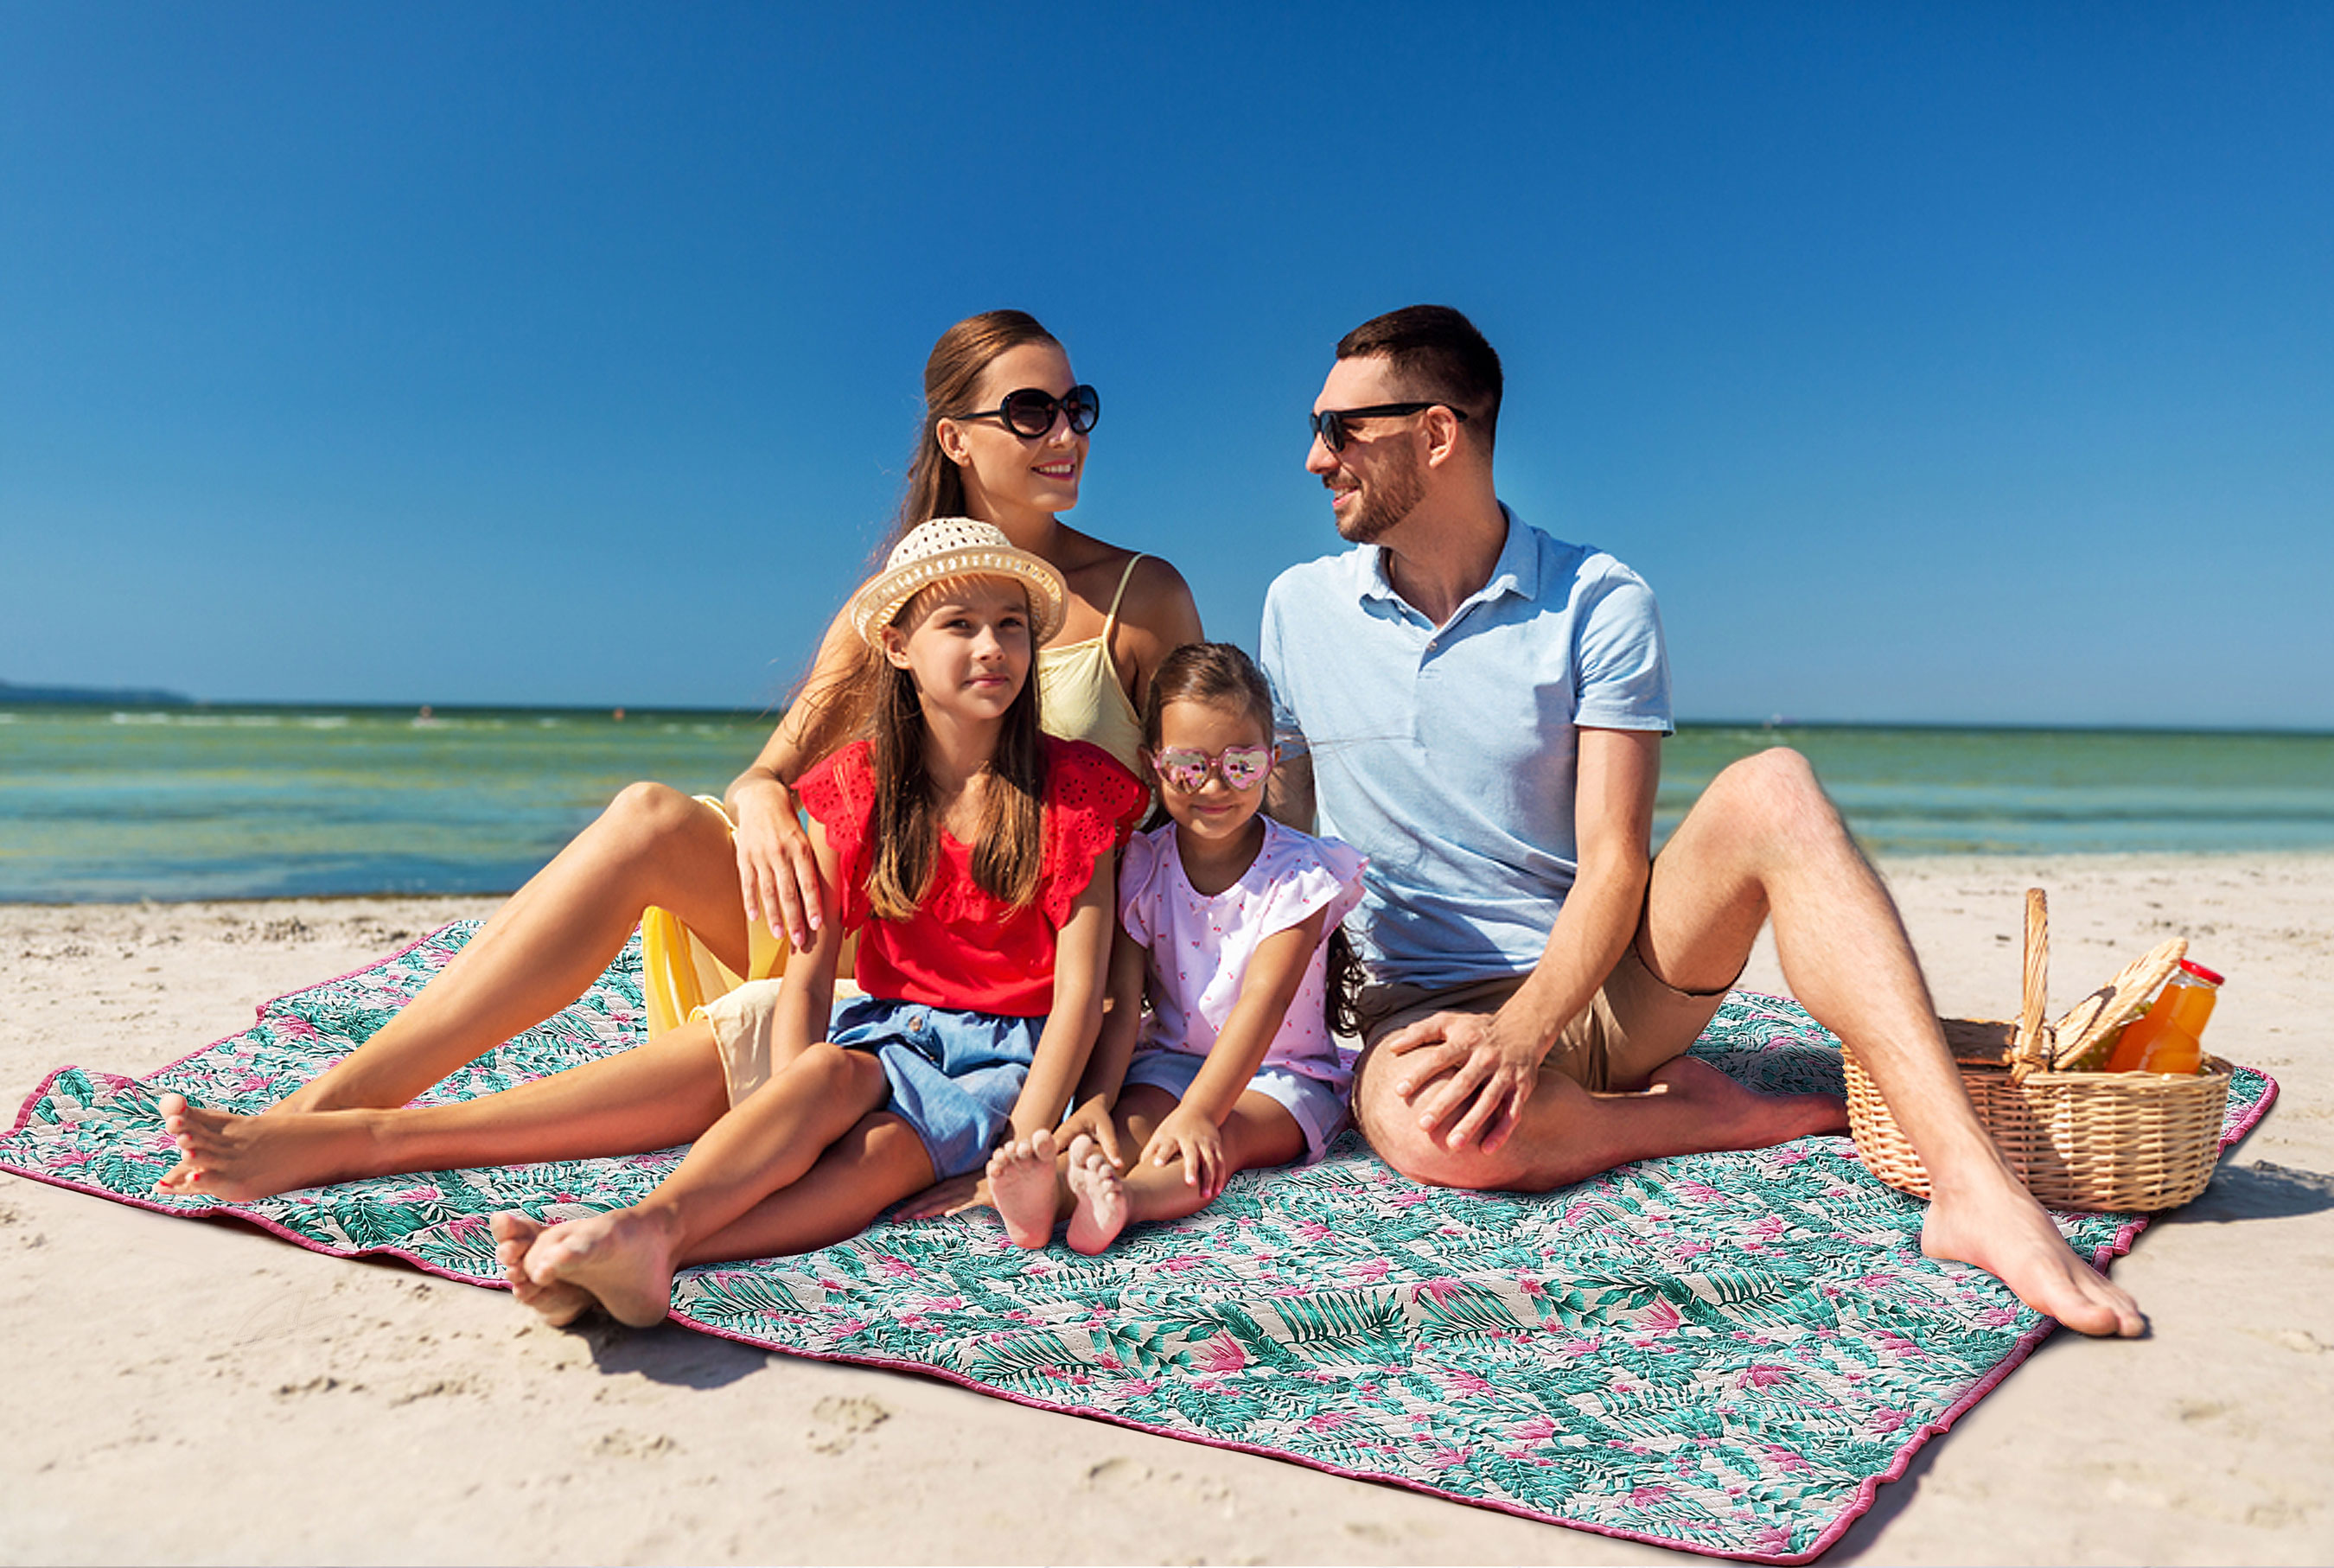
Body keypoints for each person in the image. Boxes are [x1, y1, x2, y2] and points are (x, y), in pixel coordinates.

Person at [1259, 304, 2145, 1338]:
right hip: (1416, 1006)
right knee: (1433, 1132)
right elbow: (1286, 844)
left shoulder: (1597, 598)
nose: (1316, 457)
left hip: (1599, 986)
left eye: (1342, 429)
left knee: (1775, 784)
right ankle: (1704, 1117)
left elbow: (1613, 866)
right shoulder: (1296, 608)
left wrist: (1527, 1029)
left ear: (1438, 432)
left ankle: (1974, 1188)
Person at [205, 308, 1197, 1138]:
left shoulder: (1138, 596)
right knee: (645, 815)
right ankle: (337, 1098)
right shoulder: (900, 600)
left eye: (1079, 408)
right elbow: (771, 769)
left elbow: (1208, 796)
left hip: (1016, 958)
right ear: (954, 437)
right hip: (875, 926)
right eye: (1032, 411)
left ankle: (359, 1128)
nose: (1065, 434)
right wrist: (761, 798)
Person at [161, 520, 1147, 1328]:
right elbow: (807, 981)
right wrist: (787, 1104)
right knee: (820, 1075)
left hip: (999, 1063)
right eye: (962, 624)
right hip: (878, 1028)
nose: (992, 648)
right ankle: (359, 1134)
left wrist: (1017, 1145)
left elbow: (1076, 996)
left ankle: (652, 1232)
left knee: (882, 1155)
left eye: (1012, 626)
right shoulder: (857, 788)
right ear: (894, 647)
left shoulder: (1073, 791)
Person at [985, 642, 1367, 1253]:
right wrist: (1097, 1103)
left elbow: (1263, 1003)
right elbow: (1122, 1001)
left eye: (1241, 765)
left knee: (1218, 1137)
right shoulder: (1142, 863)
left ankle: (1126, 1204)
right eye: (1190, 765)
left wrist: (1201, 1111)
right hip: (1171, 1062)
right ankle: (1045, 1198)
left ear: (1272, 760)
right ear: (1152, 764)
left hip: (1283, 1077)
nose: (1216, 785)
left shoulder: (1299, 873)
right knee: (1123, 1130)